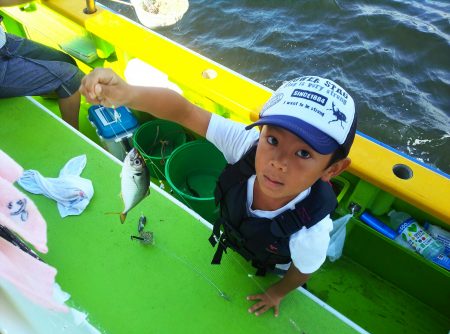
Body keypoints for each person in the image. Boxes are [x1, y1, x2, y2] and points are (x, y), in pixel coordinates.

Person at [79, 68, 356, 317]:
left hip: (275, 262)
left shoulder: (311, 231)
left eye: (304, 153)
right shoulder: (247, 144)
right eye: (272, 139)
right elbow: (185, 112)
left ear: (332, 169)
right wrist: (129, 94)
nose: (278, 162)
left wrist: (277, 292)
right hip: (237, 237)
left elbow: (304, 269)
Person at [0, 0, 84, 129]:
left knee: (66, 60)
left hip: (4, 41)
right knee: (71, 78)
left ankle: (50, 91)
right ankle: (76, 134)